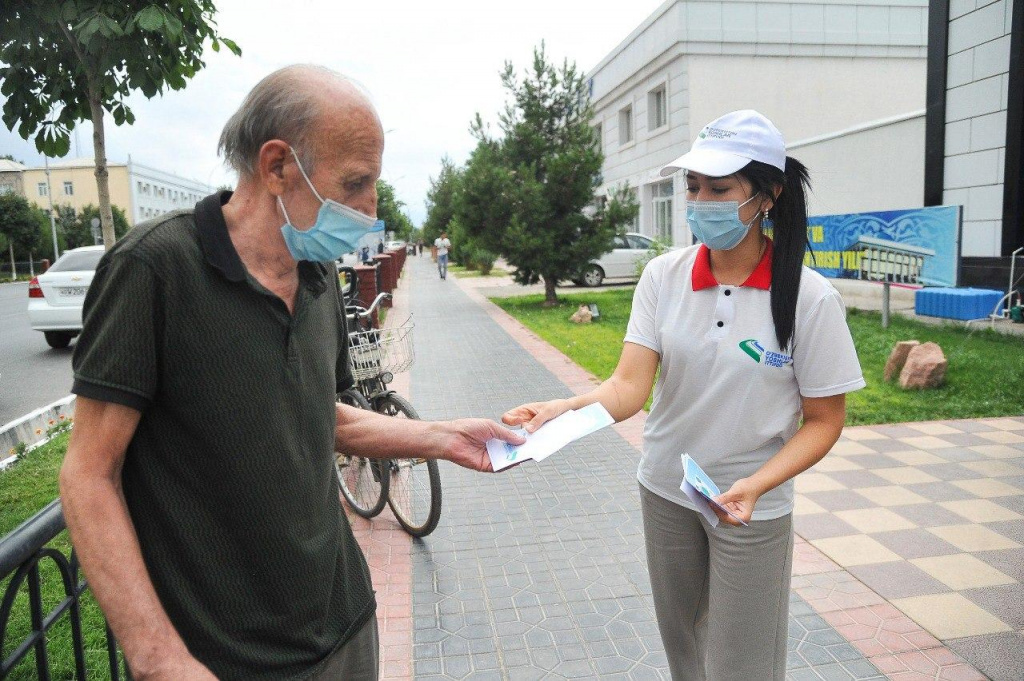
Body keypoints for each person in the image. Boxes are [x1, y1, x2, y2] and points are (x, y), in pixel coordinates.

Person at [59, 64, 524, 681]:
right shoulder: (153, 270)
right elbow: (89, 473)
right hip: (225, 658)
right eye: (356, 184)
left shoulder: (317, 274)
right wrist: (158, 658)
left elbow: (320, 414)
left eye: (375, 187)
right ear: (276, 167)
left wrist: (443, 438)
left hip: (344, 623)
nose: (370, 211)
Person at [503, 110, 864, 680]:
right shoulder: (662, 277)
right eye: (693, 186)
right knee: (684, 651)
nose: (699, 201)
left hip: (751, 507)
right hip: (667, 491)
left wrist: (756, 484)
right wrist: (561, 409)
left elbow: (823, 420)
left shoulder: (810, 298)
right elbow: (628, 388)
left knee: (743, 664)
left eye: (719, 189)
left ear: (767, 196)